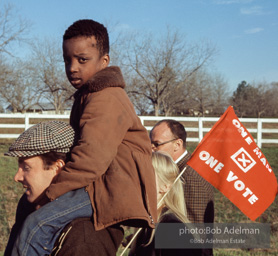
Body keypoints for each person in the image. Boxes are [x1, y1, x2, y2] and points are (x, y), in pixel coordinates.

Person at [10, 19, 157, 256]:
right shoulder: (87, 96)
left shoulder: (106, 98)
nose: (72, 67)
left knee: (38, 224)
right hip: (96, 183)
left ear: (104, 61)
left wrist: (51, 194)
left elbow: (90, 160)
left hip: (110, 188)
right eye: (67, 60)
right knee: (26, 207)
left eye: (82, 59)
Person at [4, 121, 124, 256]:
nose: (17, 177)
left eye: (26, 168)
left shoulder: (84, 239)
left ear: (57, 168)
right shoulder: (30, 210)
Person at [128, 151, 202, 256]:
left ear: (165, 186)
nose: (135, 181)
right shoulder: (148, 222)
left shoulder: (173, 229)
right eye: (135, 174)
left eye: (145, 175)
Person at [150, 119, 214, 224]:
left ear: (177, 144)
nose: (151, 149)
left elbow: (195, 229)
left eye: (157, 144)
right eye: (150, 143)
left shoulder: (191, 177)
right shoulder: (173, 170)